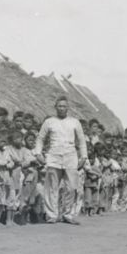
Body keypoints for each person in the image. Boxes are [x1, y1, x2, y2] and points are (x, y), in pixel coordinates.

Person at [34, 96, 87, 224]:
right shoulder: (49, 122)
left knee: (71, 187)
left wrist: (83, 157)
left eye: (64, 106)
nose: (62, 108)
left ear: (68, 108)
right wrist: (38, 153)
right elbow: (40, 138)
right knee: (52, 187)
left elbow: (81, 141)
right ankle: (52, 215)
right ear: (55, 107)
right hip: (54, 156)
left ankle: (68, 214)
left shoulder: (75, 122)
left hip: (70, 156)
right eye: (59, 106)